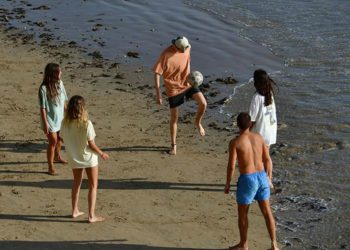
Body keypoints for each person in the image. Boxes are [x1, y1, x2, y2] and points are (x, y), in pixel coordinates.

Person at [224, 112, 279, 250]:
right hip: (261, 176)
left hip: (247, 179)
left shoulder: (235, 142)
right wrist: (269, 177)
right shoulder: (259, 137)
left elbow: (231, 166)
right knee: (267, 212)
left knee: (243, 213)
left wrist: (228, 183)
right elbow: (267, 159)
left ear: (237, 125)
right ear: (250, 124)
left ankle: (244, 244)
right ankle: (274, 245)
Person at [153, 36, 207, 155]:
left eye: (186, 47)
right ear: (175, 46)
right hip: (173, 89)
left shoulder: (187, 47)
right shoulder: (166, 55)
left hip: (188, 83)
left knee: (203, 103)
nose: (185, 50)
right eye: (182, 49)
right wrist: (158, 94)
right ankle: (174, 147)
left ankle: (197, 123)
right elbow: (157, 74)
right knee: (174, 119)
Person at [60, 95, 109, 223]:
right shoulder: (87, 124)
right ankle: (91, 216)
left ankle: (74, 210)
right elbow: (91, 145)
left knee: (77, 182)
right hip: (89, 159)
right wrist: (101, 153)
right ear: (82, 109)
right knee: (93, 185)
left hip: (74, 158)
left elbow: (62, 138)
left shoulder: (64, 124)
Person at [39, 63, 68, 175]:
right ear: (53, 73)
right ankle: (50, 166)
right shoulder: (43, 89)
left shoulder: (60, 83)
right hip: (49, 120)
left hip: (60, 118)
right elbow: (43, 108)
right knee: (53, 142)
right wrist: (46, 124)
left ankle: (57, 156)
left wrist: (69, 115)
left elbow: (64, 101)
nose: (61, 73)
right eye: (59, 71)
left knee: (60, 139)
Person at [249, 69, 278, 147]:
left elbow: (252, 120)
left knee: (258, 158)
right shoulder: (270, 93)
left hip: (260, 134)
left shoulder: (256, 97)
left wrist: (245, 133)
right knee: (266, 157)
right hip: (270, 132)